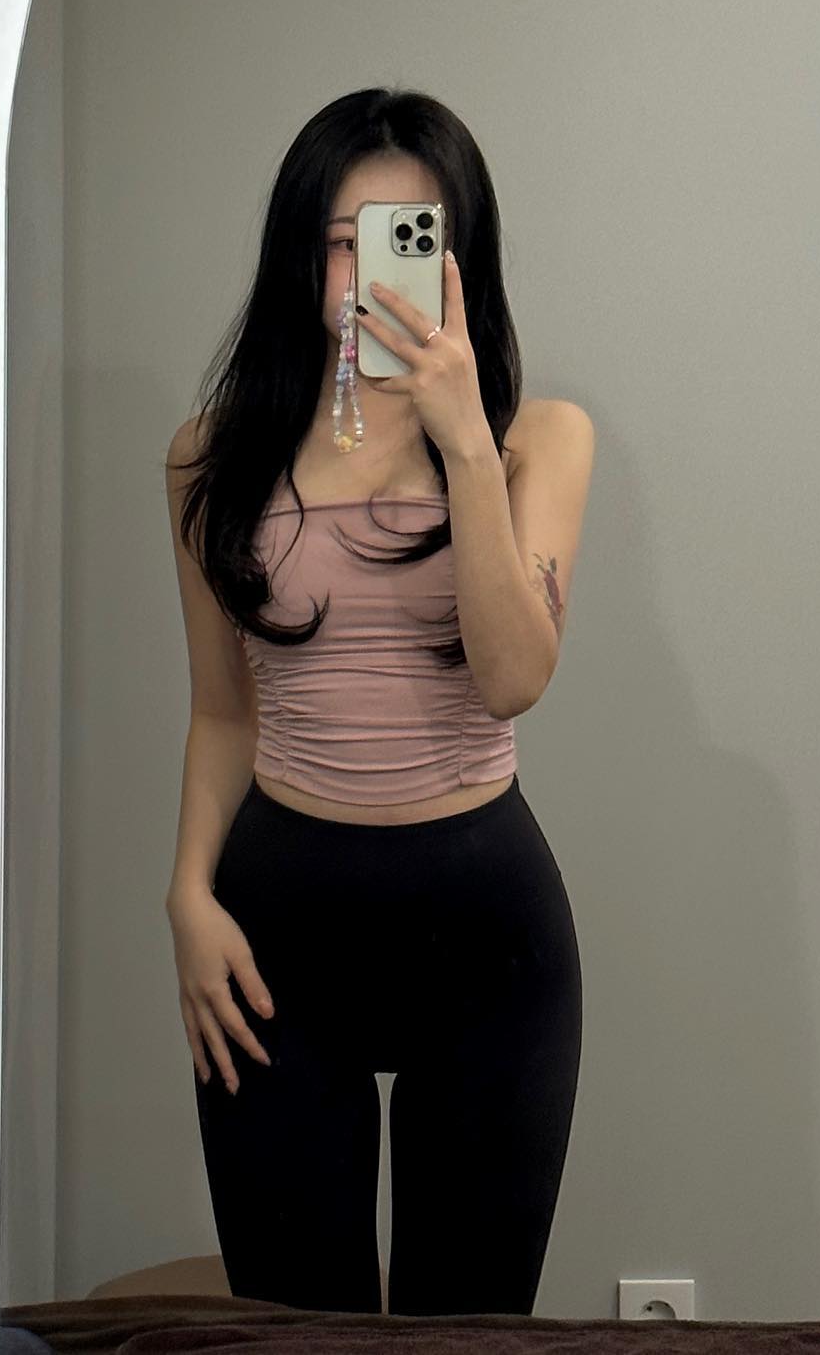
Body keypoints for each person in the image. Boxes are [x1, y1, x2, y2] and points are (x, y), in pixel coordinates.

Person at [163, 87, 594, 1316]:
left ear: (460, 260)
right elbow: (222, 711)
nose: (365, 276)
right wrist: (186, 895)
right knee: (294, 1333)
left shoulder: (537, 441)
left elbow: (514, 678)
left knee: (473, 1337)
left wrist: (463, 445)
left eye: (405, 239)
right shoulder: (212, 456)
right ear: (298, 256)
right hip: (278, 928)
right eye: (340, 241)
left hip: (490, 932)